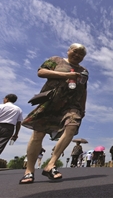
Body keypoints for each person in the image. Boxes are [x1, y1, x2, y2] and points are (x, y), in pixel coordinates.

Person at [19, 43, 89, 184]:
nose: (77, 55)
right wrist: (66, 75)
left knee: (72, 127)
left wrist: (83, 107)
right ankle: (29, 171)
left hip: (71, 104)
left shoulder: (84, 71)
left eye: (81, 54)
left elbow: (84, 89)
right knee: (38, 134)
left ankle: (51, 164)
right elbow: (41, 72)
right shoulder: (56, 60)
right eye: (75, 52)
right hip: (51, 100)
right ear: (69, 51)